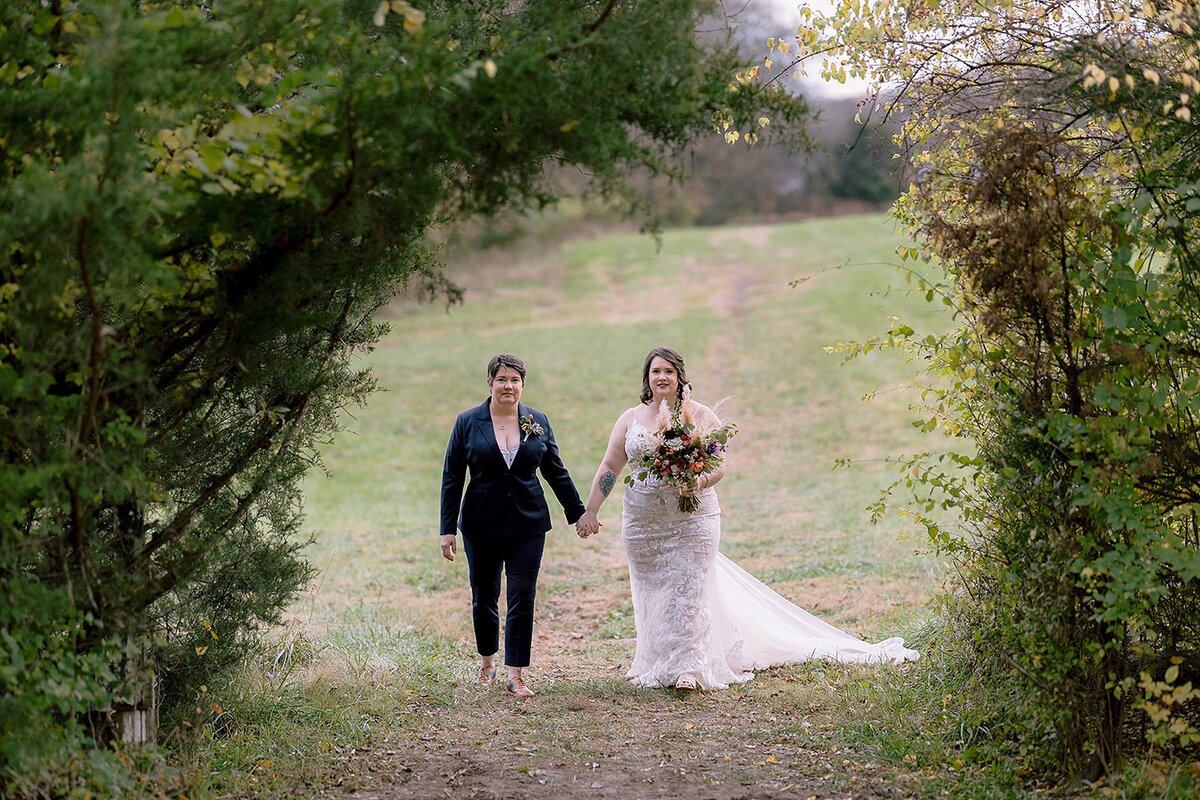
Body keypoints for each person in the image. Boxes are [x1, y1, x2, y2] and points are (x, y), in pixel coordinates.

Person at [575, 346, 918, 691]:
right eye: (655, 372)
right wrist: (591, 510)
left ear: (680, 378)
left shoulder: (701, 415)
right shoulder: (630, 418)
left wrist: (697, 482)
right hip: (643, 524)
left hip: (691, 520)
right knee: (655, 592)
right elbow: (610, 467)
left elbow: (719, 464)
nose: (661, 377)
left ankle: (689, 669)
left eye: (668, 371)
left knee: (687, 588)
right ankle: (659, 659)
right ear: (647, 379)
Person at [440, 353, 587, 698]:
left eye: (515, 380)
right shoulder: (467, 422)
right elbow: (452, 476)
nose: (509, 386)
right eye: (502, 379)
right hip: (480, 524)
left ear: (523, 384)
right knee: (485, 597)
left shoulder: (537, 420)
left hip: (528, 523)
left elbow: (555, 470)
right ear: (489, 383)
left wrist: (579, 512)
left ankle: (515, 673)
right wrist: (447, 528)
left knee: (522, 596)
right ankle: (487, 662)